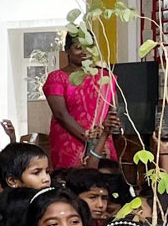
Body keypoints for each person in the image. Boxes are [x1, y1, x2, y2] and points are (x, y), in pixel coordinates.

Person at [42, 32, 116, 170]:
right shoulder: (57, 78)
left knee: (104, 179)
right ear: (67, 50)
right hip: (71, 143)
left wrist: (102, 139)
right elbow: (61, 115)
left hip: (102, 141)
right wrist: (90, 141)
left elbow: (113, 110)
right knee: (73, 180)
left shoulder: (105, 77)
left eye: (89, 47)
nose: (84, 52)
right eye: (78, 47)